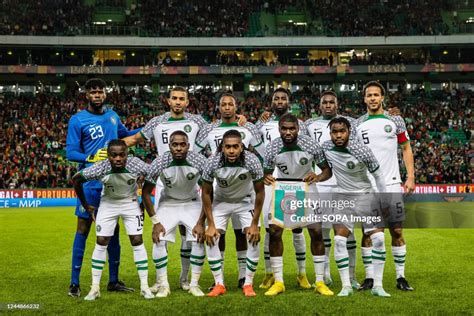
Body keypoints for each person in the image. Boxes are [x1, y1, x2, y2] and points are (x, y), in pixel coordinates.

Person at [123, 86, 208, 291]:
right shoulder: (157, 122)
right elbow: (134, 140)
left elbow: (220, 133)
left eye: (182, 99)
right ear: (168, 101)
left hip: (191, 180)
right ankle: (162, 281)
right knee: (162, 234)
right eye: (174, 98)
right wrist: (110, 147)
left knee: (190, 236)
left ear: (188, 102)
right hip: (164, 180)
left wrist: (241, 119)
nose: (178, 102)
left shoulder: (198, 121)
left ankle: (185, 278)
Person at [66, 78, 138, 297]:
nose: (97, 95)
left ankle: (113, 281)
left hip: (113, 183)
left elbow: (126, 136)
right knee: (83, 229)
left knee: (114, 232)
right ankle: (74, 283)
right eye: (93, 92)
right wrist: (90, 157)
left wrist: (153, 127)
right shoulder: (78, 120)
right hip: (90, 185)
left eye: (100, 91)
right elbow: (70, 153)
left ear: (105, 94)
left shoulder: (113, 116)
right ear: (86, 95)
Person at [195, 92, 263, 289]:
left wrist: (255, 223)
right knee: (216, 235)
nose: (226, 107)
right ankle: (219, 282)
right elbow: (206, 192)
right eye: (223, 104)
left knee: (248, 235)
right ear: (222, 148)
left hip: (244, 200)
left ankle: (246, 280)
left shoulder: (250, 144)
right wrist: (207, 223)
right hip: (221, 198)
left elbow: (259, 191)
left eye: (230, 104)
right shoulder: (212, 157)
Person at [71, 140, 153, 300]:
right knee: (101, 241)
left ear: (127, 155)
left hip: (130, 202)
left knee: (137, 240)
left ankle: (145, 287)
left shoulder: (137, 165)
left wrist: (143, 199)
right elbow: (76, 179)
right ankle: (94, 288)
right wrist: (86, 205)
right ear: (108, 156)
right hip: (108, 203)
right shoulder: (101, 167)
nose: (118, 159)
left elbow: (153, 173)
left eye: (122, 155)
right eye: (114, 155)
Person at [263, 113, 333, 296]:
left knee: (316, 232)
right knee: (274, 232)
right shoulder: (271, 148)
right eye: (284, 129)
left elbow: (327, 171)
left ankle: (319, 281)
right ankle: (279, 282)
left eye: (291, 128)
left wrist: (317, 176)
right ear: (279, 130)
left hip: (307, 188)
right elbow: (265, 173)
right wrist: (266, 177)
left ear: (298, 129)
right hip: (283, 189)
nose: (288, 132)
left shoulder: (311, 145)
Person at [355, 81, 415, 293]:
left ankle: (401, 276)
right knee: (369, 233)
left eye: (376, 95)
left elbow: (406, 148)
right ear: (364, 99)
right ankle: (370, 277)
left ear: (382, 98)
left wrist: (411, 177)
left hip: (391, 184)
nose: (372, 98)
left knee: (397, 230)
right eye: (368, 95)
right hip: (367, 187)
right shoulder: (357, 124)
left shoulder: (395, 120)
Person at [321, 117, 388, 296]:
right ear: (330, 133)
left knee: (379, 238)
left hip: (366, 195)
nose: (338, 135)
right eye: (334, 132)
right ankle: (346, 287)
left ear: (349, 131)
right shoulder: (326, 148)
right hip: (342, 197)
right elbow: (325, 169)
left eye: (342, 131)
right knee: (339, 241)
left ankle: (378, 286)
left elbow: (379, 175)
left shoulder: (361, 150)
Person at [255, 88, 311, 289]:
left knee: (297, 228)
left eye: (283, 98)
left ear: (288, 101)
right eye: (276, 98)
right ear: (271, 101)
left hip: (293, 178)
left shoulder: (300, 125)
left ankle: (301, 273)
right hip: (270, 179)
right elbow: (251, 142)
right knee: (270, 229)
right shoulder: (262, 123)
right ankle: (270, 273)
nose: (279, 101)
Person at [141, 131, 208, 297]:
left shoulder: (199, 161)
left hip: (192, 202)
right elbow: (145, 193)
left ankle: (193, 283)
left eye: (182, 144)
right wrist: (156, 222)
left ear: (188, 146)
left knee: (198, 240)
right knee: (159, 239)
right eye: (175, 145)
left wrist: (201, 222)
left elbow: (208, 191)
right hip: (168, 203)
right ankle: (163, 284)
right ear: (169, 146)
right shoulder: (160, 162)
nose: (178, 148)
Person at [305, 90, 359, 288]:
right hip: (321, 184)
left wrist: (391, 112)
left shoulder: (351, 122)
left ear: (337, 104)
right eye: (324, 102)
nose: (328, 105)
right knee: (324, 231)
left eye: (331, 102)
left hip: (345, 182)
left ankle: (352, 277)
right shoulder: (308, 125)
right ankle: (325, 274)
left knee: (348, 231)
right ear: (320, 105)